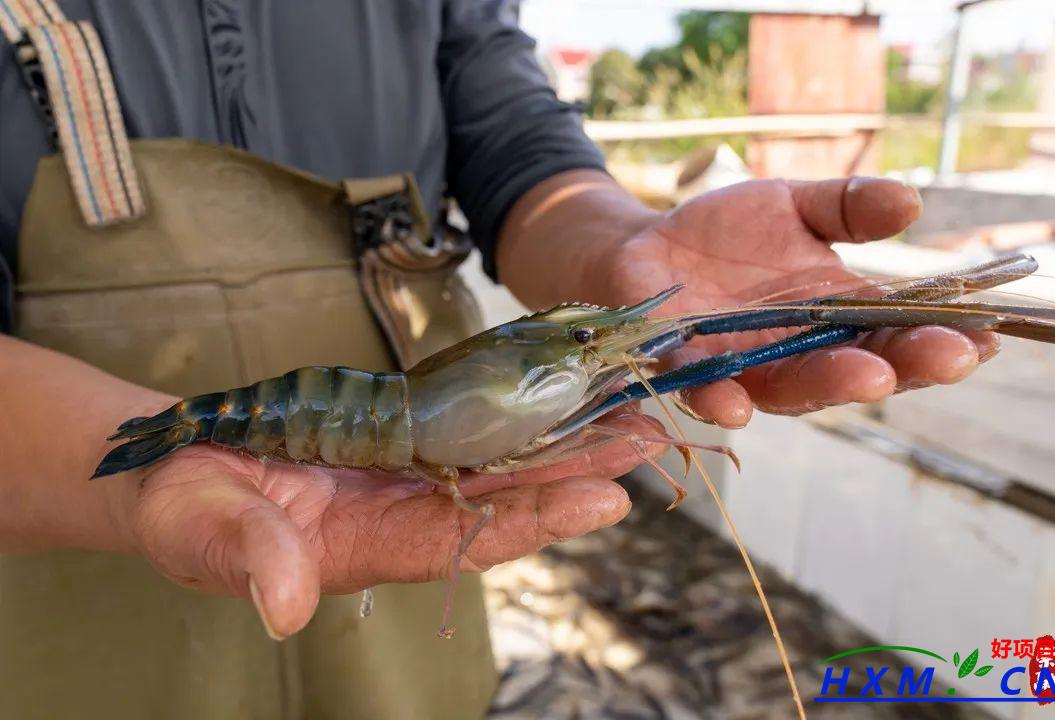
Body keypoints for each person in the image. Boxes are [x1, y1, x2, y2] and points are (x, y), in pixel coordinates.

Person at [0, 2, 997, 718]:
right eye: (592, 347)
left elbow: (514, 140)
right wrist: (126, 486)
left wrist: (623, 252)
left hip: (380, 554)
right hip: (59, 529)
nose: (605, 352)